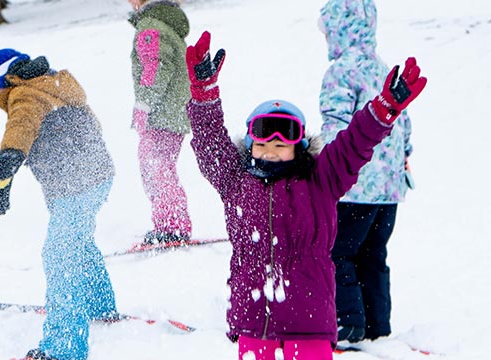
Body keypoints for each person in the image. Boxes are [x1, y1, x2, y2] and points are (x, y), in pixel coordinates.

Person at [185, 31, 426, 360]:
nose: (270, 151)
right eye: (263, 143)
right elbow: (210, 141)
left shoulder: (321, 179)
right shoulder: (236, 180)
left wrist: (382, 110)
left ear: (298, 147)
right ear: (251, 145)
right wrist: (204, 94)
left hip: (309, 321)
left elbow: (354, 143)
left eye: (280, 145)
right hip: (254, 321)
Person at [0, 49, 117, 360]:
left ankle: (64, 348)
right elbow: (91, 125)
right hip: (95, 177)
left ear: (4, 81)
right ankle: (98, 305)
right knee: (77, 242)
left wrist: (2, 177)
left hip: (75, 185)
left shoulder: (23, 94)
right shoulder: (54, 82)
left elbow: (20, 130)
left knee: (59, 253)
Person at [318, 0, 415, 342]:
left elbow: (336, 125)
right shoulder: (382, 68)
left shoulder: (341, 71)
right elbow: (403, 122)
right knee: (374, 256)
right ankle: (377, 325)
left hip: (355, 186)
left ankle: (347, 324)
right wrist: (403, 159)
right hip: (389, 191)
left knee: (338, 252)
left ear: (338, 30)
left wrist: (322, 166)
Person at [128, 0, 193, 244]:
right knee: (159, 166)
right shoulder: (165, 25)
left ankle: (172, 226)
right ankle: (169, 222)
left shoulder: (150, 27)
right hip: (171, 111)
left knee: (156, 167)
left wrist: (144, 103)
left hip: (160, 114)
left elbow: (154, 67)